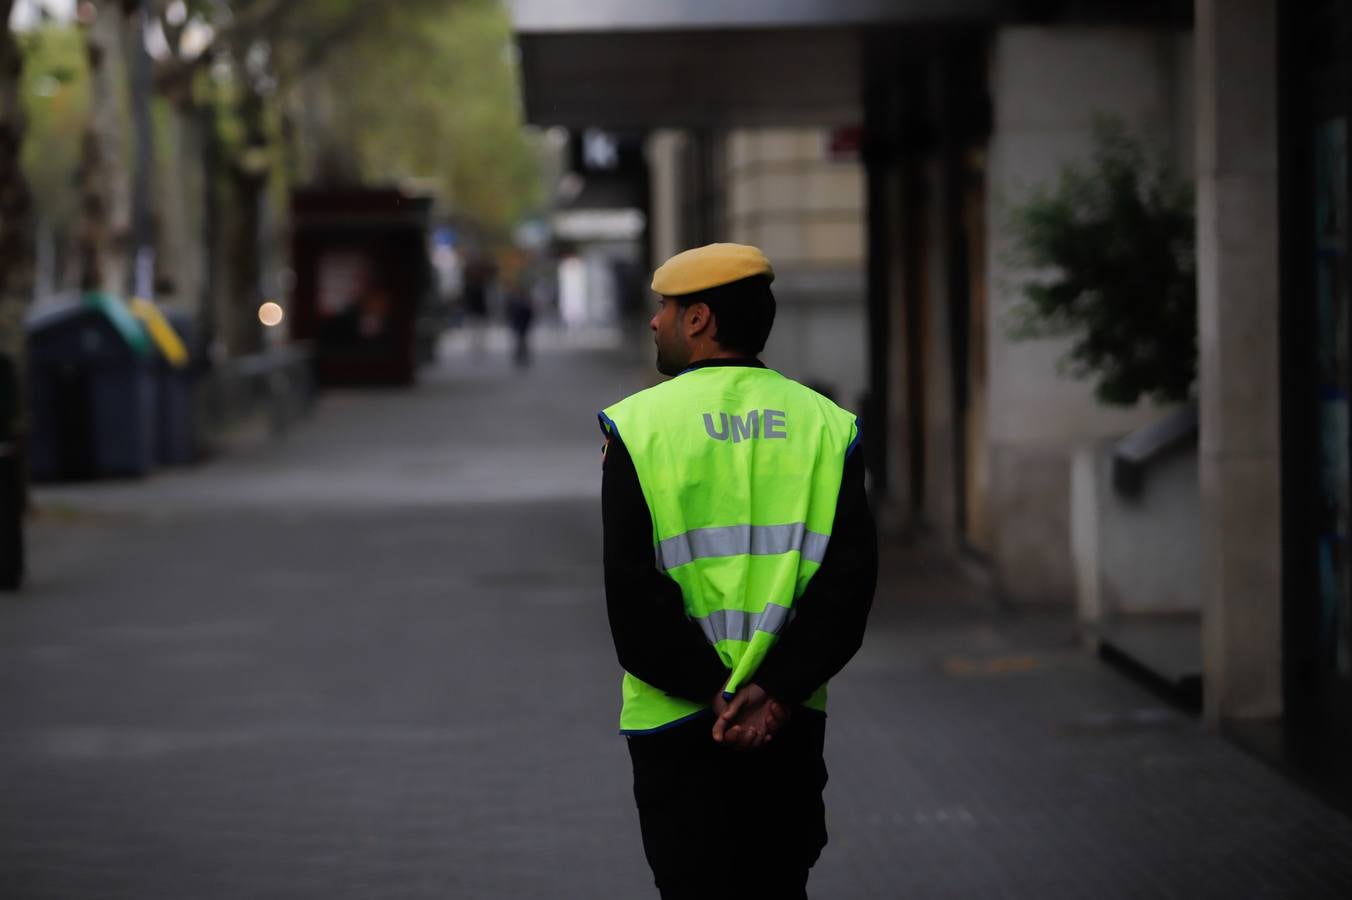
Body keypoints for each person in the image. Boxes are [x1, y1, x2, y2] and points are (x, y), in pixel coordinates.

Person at [599, 243, 877, 899]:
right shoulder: (828, 427)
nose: (654, 322)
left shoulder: (638, 427)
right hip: (787, 723)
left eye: (664, 308)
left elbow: (633, 599)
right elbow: (848, 590)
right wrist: (774, 692)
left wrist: (715, 692)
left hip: (676, 723)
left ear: (698, 320)